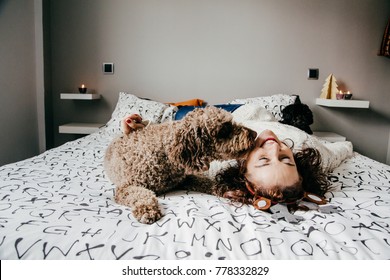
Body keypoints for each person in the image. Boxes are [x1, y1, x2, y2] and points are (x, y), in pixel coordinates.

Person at [120, 110, 352, 209]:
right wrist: (349, 146)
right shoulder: (306, 146)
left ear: (243, 168)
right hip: (242, 115)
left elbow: (179, 139)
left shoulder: (221, 157)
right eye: (286, 160)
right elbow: (341, 149)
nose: (273, 149)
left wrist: (140, 129)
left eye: (263, 161)